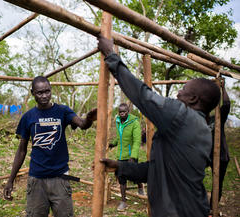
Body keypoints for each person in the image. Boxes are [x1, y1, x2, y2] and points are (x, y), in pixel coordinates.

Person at [97, 35, 221, 217]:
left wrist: (111, 55)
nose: (178, 92)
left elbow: (143, 96)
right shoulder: (202, 131)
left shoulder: (182, 116)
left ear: (194, 99)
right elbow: (156, 170)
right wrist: (119, 167)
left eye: (184, 90)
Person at [3, 76, 97, 217]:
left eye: (47, 91)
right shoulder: (28, 117)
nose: (44, 96)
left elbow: (82, 124)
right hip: (36, 179)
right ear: (32, 92)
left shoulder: (62, 111)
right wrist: (10, 180)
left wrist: (89, 119)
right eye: (40, 92)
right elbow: (21, 151)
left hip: (60, 178)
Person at [109, 103, 143, 211]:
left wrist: (133, 157)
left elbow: (137, 141)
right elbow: (120, 137)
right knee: (121, 177)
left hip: (130, 155)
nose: (122, 113)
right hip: (120, 155)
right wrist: (113, 143)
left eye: (124, 111)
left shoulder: (135, 122)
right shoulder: (118, 121)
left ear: (128, 112)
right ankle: (123, 201)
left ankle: (140, 186)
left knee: (135, 175)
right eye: (120, 112)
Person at [208, 84, 230, 210]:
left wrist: (222, 88)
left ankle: (212, 208)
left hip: (221, 156)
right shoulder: (200, 119)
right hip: (207, 156)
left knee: (217, 183)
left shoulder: (217, 117)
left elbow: (226, 104)